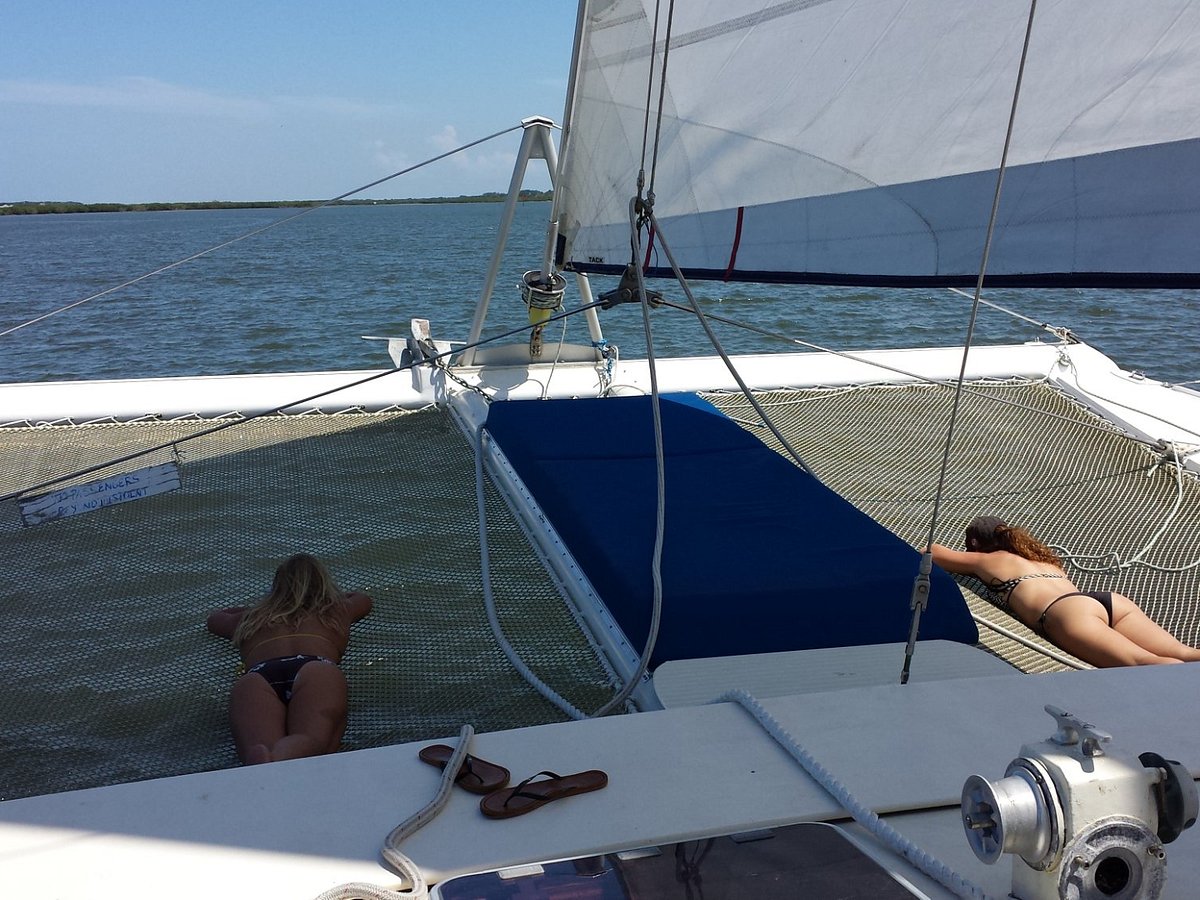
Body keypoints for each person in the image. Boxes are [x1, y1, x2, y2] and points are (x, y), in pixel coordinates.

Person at [930, 516, 1200, 668]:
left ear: (976, 544)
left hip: (1065, 613)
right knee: (1184, 652)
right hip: (1106, 601)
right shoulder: (1044, 561)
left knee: (1143, 663)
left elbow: (933, 553)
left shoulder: (987, 560)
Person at [206, 553, 373, 764]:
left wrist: (262, 606)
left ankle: (266, 754)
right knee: (312, 740)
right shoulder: (335, 609)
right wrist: (327, 595)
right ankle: (283, 753)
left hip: (257, 676)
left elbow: (215, 619)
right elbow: (363, 599)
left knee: (260, 754)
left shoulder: (250, 619)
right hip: (315, 669)